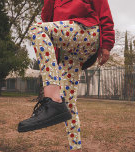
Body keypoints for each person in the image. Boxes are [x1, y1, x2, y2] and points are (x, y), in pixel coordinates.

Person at [18, 0, 115, 151]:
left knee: (36, 29)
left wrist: (107, 44)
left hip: (86, 31)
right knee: (68, 104)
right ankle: (75, 148)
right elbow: (47, 18)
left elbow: (103, 9)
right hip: (69, 50)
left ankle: (51, 99)